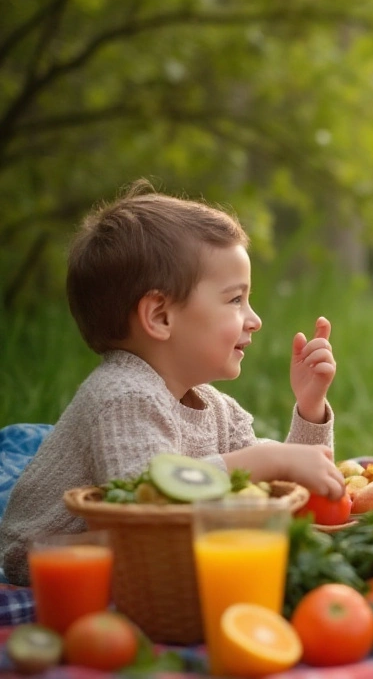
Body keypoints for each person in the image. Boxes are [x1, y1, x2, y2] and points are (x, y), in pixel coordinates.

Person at [0, 181, 346, 585]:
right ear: (160, 317)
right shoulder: (119, 394)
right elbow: (144, 502)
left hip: (146, 558)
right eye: (235, 300)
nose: (255, 319)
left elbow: (280, 491)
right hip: (49, 561)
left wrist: (310, 407)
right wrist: (269, 458)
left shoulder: (218, 408)